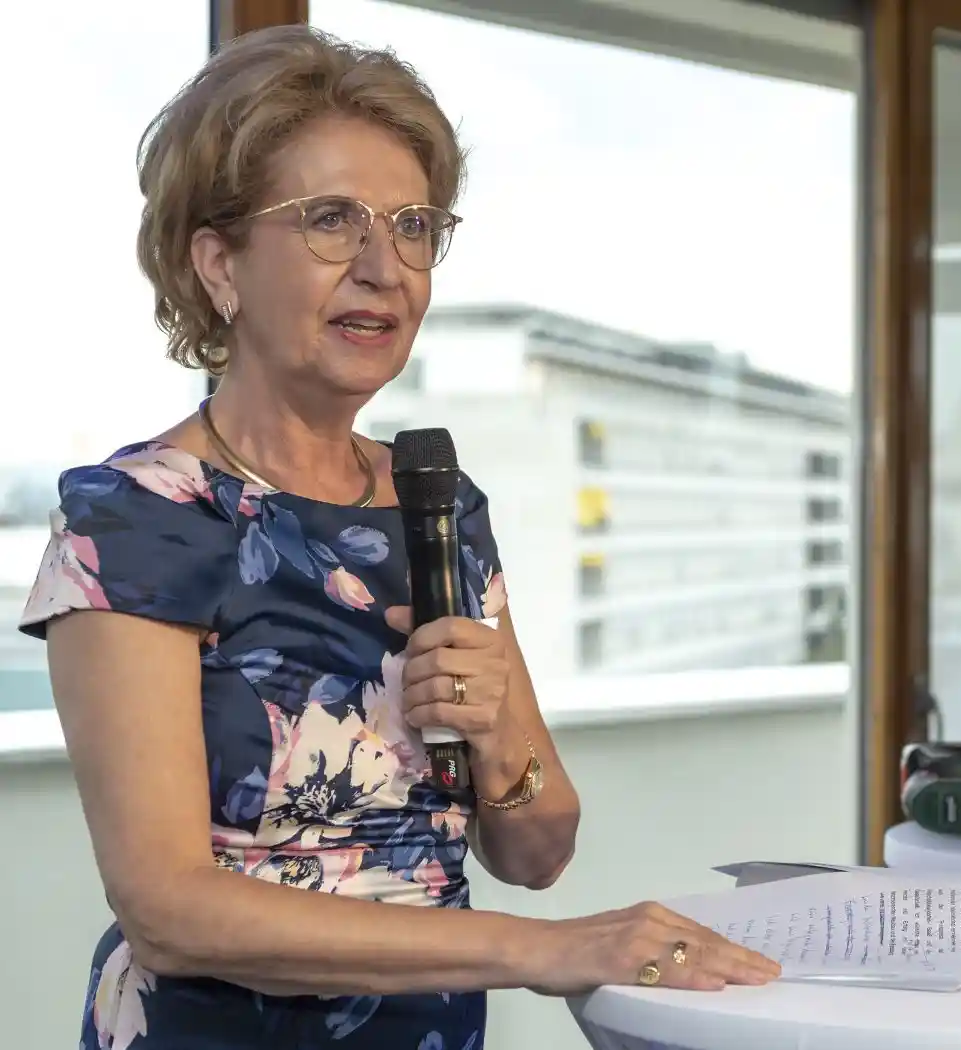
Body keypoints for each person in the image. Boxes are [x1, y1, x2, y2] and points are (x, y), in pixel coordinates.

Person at [19, 23, 780, 1050]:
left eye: (413, 226)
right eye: (332, 220)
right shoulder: (138, 517)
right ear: (219, 264)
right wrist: (542, 950)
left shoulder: (439, 503)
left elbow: (538, 852)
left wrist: (497, 729)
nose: (385, 267)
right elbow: (169, 911)